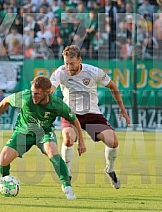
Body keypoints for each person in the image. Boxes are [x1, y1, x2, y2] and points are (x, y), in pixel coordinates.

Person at [0, 76, 85, 199]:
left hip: (44, 132)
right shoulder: (25, 96)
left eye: (37, 94)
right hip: (23, 132)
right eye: (33, 92)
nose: (33, 95)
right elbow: (6, 101)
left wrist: (81, 142)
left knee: (52, 152)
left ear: (48, 92)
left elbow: (74, 120)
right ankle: (4, 180)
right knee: (3, 159)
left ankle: (67, 187)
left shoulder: (57, 104)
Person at [50, 45, 130, 189]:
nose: (68, 67)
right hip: (70, 113)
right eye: (66, 63)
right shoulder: (60, 72)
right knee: (68, 139)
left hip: (92, 114)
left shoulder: (93, 72)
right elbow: (51, 89)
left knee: (113, 141)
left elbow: (113, 86)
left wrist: (123, 110)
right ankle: (66, 175)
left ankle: (109, 169)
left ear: (79, 60)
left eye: (72, 63)